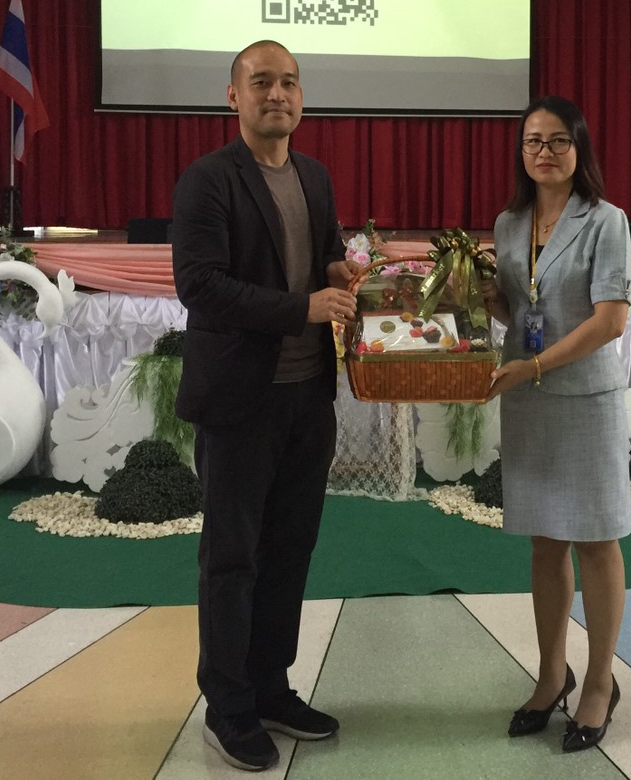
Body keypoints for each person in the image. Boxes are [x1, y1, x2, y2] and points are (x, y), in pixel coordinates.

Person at [172, 40, 361, 773]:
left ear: (301, 97)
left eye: (288, 82)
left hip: (308, 399)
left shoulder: (314, 176)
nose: (276, 94)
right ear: (234, 97)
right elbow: (201, 287)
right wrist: (301, 307)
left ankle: (271, 688)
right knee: (232, 559)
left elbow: (326, 254)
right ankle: (228, 706)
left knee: (289, 552)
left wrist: (340, 270)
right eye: (261, 82)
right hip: (240, 404)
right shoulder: (208, 180)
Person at [483, 95, 631, 753]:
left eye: (557, 141)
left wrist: (534, 364)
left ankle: (599, 682)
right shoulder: (509, 223)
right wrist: (480, 296)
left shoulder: (606, 221)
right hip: (530, 399)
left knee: (596, 539)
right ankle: (551, 675)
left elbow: (610, 321)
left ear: (579, 148)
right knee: (545, 542)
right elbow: (521, 310)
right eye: (532, 141)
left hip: (583, 398)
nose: (543, 152)